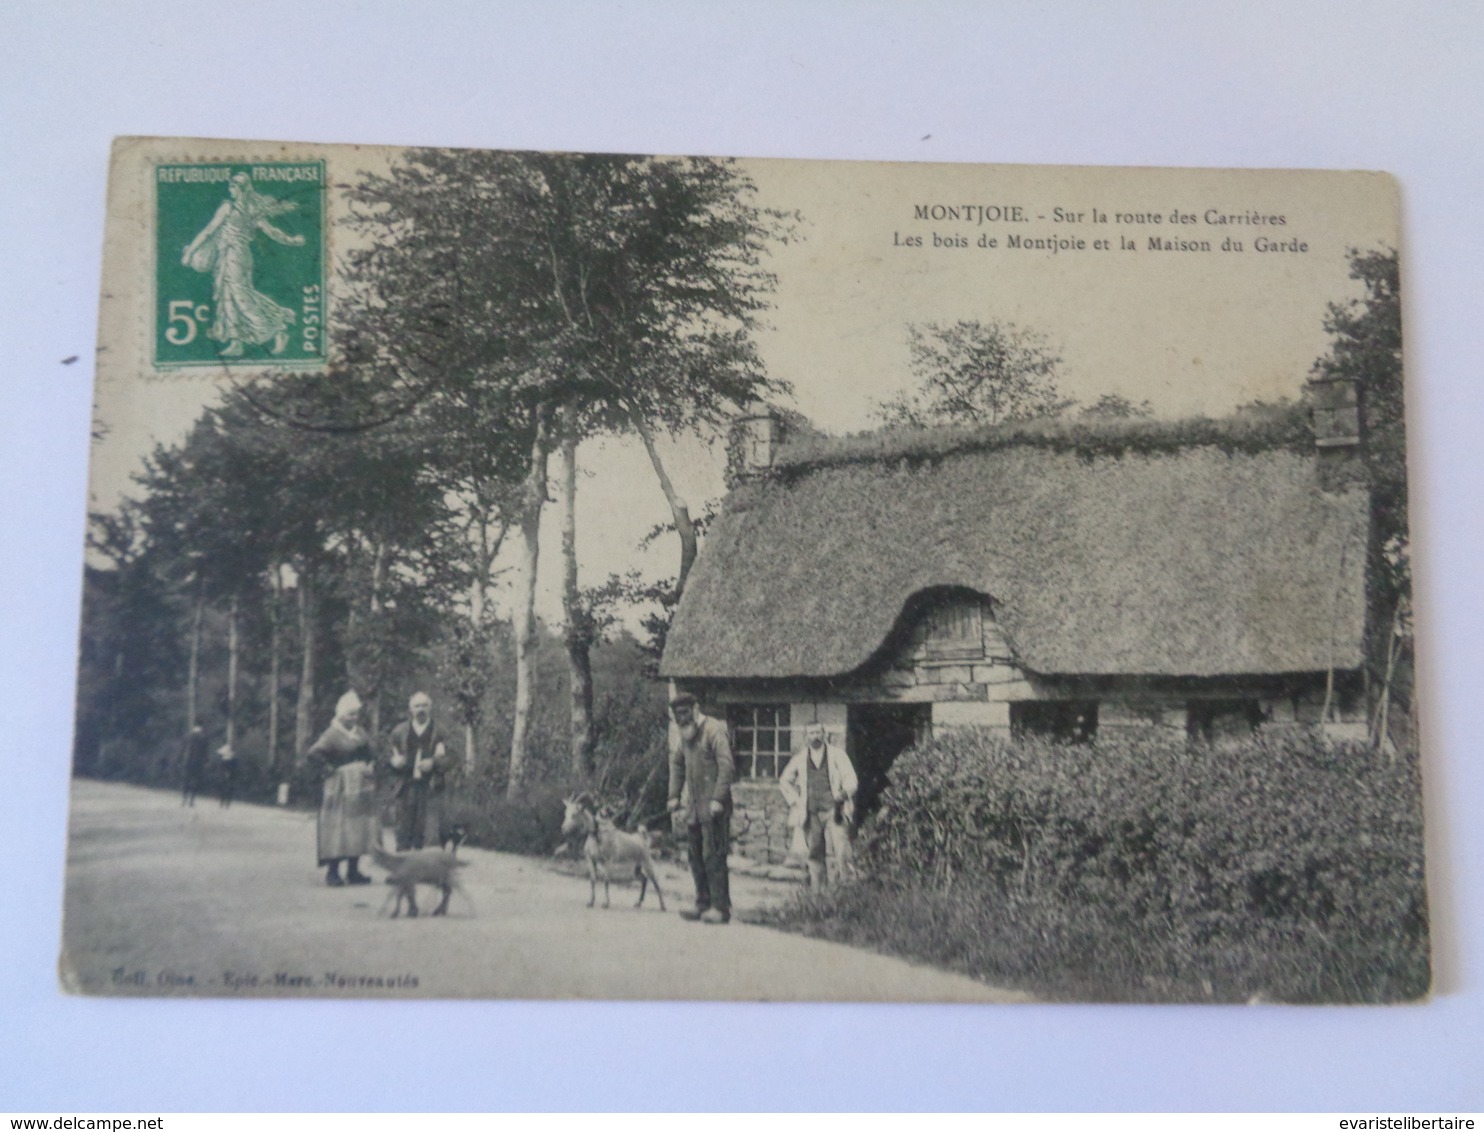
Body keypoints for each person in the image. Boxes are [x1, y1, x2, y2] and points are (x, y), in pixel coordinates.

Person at [180, 172, 305, 357]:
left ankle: (276, 327)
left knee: (238, 296)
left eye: (233, 186)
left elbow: (208, 231)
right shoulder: (251, 210)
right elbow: (272, 231)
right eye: (230, 186)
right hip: (239, 256)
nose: (230, 189)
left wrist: (190, 251)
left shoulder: (228, 208)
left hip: (233, 255)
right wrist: (291, 240)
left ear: (242, 189)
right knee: (229, 295)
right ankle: (236, 342)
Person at [666, 693, 735, 924]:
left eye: (685, 713)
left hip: (715, 808)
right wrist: (674, 795)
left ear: (696, 709)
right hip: (694, 809)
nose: (682, 720)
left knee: (713, 856)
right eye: (678, 716)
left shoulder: (714, 730)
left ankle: (720, 908)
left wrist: (718, 798)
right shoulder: (685, 737)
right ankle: (702, 903)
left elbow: (726, 766)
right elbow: (677, 764)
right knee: (695, 856)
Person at [307, 691, 378, 886]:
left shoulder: (360, 732)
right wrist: (331, 770)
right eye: (350, 714)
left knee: (357, 826)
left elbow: (371, 752)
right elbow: (314, 754)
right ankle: (333, 872)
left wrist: (370, 764)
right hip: (340, 787)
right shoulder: (331, 734)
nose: (353, 718)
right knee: (337, 826)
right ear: (340, 714)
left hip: (360, 786)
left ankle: (353, 871)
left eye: (356, 714)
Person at [778, 722, 860, 890]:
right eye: (811, 733)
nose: (815, 736)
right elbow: (784, 780)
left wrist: (843, 794)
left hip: (834, 810)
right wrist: (795, 800)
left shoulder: (838, 755)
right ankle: (818, 892)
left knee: (841, 849)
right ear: (805, 737)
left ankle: (847, 888)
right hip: (811, 812)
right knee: (815, 852)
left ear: (824, 735)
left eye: (818, 732)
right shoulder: (800, 758)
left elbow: (851, 779)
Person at [386, 692, 453, 851]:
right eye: (417, 706)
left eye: (424, 705)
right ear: (410, 709)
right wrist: (393, 761)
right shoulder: (399, 731)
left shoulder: (441, 731)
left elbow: (452, 758)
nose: (421, 709)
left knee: (425, 829)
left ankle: (423, 869)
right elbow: (386, 754)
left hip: (430, 787)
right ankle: (402, 868)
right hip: (404, 786)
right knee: (403, 828)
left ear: (430, 707)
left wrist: (434, 763)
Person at [180, 723, 208, 807]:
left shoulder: (187, 736)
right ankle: (192, 800)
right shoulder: (204, 738)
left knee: (185, 780)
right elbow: (205, 752)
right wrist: (206, 762)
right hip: (198, 762)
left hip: (187, 761)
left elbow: (183, 749)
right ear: (201, 729)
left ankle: (184, 799)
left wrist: (179, 760)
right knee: (196, 781)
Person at [216, 742, 238, 809]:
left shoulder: (226, 760)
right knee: (226, 788)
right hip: (229, 774)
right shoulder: (233, 759)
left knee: (226, 788)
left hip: (229, 774)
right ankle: (225, 802)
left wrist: (227, 773)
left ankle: (224, 802)